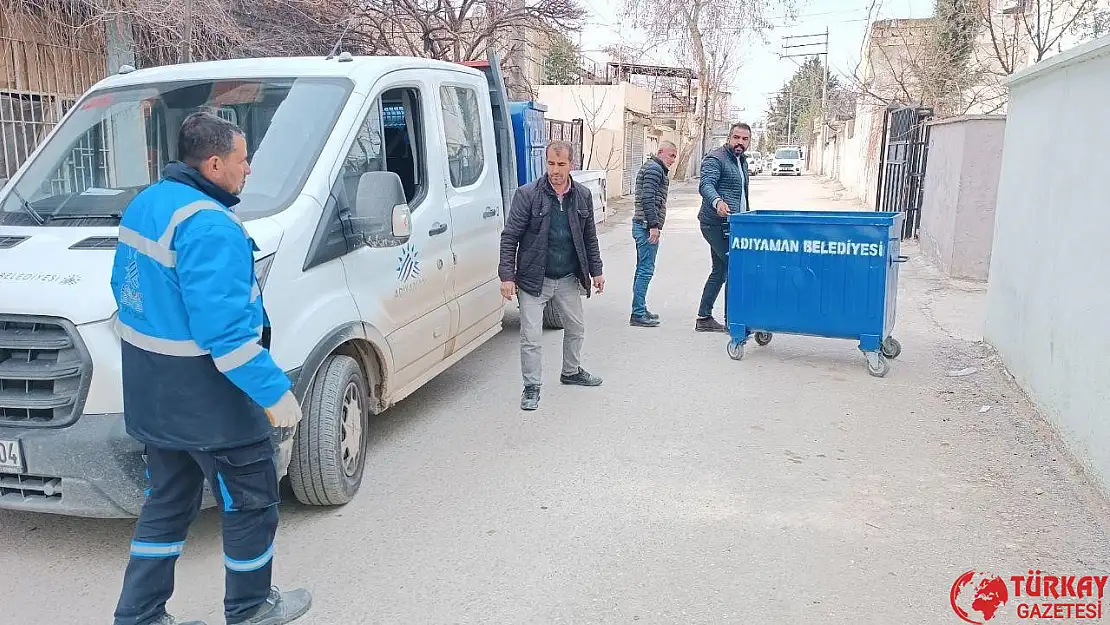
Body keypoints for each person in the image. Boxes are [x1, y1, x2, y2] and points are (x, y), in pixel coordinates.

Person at [110, 112, 311, 625]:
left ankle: (139, 616)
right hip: (210, 400)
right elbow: (225, 336)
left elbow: (125, 293)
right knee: (251, 502)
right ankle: (250, 609)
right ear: (215, 162)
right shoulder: (209, 225)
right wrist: (273, 392)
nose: (248, 170)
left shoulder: (147, 203)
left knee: (167, 503)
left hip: (153, 393)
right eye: (243, 160)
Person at [499, 140, 605, 411]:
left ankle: (571, 371)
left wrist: (597, 271)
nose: (555, 170)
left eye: (561, 164)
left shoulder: (581, 195)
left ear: (572, 164)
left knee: (576, 328)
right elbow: (510, 237)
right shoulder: (528, 194)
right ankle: (531, 387)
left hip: (568, 277)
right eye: (551, 163)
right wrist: (507, 276)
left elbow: (589, 237)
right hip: (535, 279)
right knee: (531, 337)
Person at [695, 122, 752, 332]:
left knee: (719, 270)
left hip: (735, 224)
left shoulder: (742, 161)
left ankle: (704, 318)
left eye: (744, 139)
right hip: (716, 224)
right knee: (735, 268)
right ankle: (733, 321)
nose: (740, 142)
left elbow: (743, 195)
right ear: (729, 138)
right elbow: (706, 184)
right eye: (736, 137)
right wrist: (717, 202)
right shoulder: (716, 158)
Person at [630, 141, 677, 327]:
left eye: (675, 156)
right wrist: (653, 226)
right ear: (660, 152)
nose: (673, 160)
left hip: (643, 225)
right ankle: (638, 313)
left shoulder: (655, 168)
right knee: (645, 270)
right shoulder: (654, 169)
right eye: (671, 155)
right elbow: (647, 198)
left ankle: (639, 308)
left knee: (642, 268)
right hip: (645, 226)